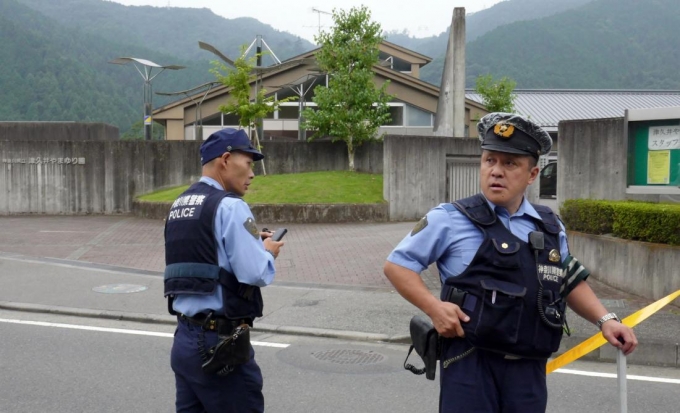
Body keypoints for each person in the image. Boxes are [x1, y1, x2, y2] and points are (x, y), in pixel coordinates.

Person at [383, 113, 637, 413]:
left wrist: (605, 320)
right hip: (470, 363)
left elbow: (565, 278)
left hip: (528, 369)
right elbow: (398, 265)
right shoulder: (450, 218)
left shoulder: (550, 225)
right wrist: (434, 307)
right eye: (490, 160)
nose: (496, 172)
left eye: (510, 163)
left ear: (532, 175)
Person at [163, 128, 284, 413]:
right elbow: (256, 273)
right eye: (249, 163)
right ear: (226, 159)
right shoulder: (232, 207)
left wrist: (253, 243)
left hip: (184, 339)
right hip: (220, 345)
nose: (252, 173)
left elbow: (205, 257)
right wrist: (266, 252)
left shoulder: (179, 205)